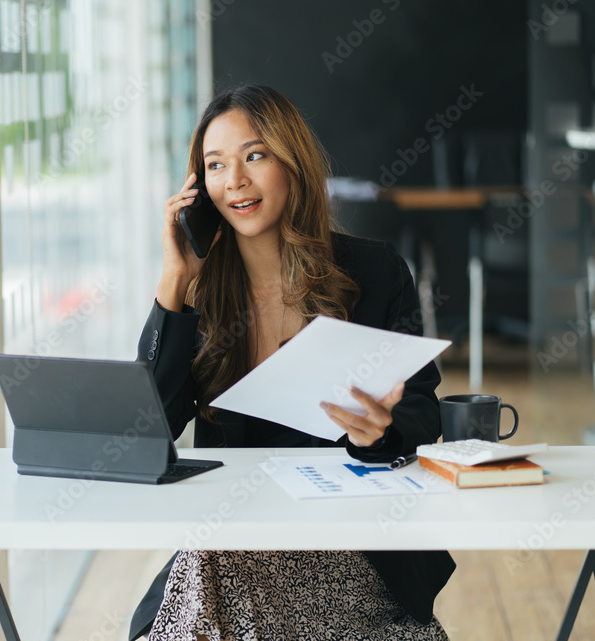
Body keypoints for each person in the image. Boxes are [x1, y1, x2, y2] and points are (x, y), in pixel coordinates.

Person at [128, 84, 456, 640]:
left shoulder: (374, 275)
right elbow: (146, 427)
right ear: (198, 189)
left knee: (212, 572)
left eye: (254, 156)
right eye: (215, 165)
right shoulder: (200, 296)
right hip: (232, 543)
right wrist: (173, 280)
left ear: (292, 162)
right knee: (217, 561)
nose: (235, 181)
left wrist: (380, 433)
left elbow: (423, 415)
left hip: (351, 546)